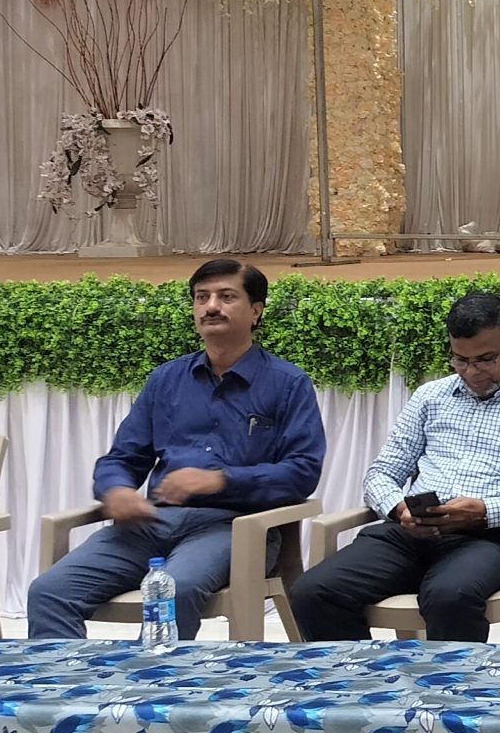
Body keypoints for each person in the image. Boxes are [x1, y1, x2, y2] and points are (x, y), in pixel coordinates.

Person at [26, 258, 325, 641]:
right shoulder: (167, 379)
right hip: (150, 523)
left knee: (173, 590)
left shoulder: (288, 383)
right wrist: (116, 489)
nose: (211, 306)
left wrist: (221, 480)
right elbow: (122, 458)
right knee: (50, 591)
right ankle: (67, 678)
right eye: (202, 297)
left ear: (255, 311)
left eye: (226, 297)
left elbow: (302, 472)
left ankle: (150, 677)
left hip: (233, 528)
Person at [291, 290, 500, 642]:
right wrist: (398, 508)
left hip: (490, 538)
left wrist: (487, 511)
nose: (471, 372)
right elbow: (381, 472)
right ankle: (366, 676)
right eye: (460, 360)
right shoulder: (431, 396)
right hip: (409, 534)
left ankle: (449, 681)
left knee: (450, 596)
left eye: (485, 359)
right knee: (314, 591)